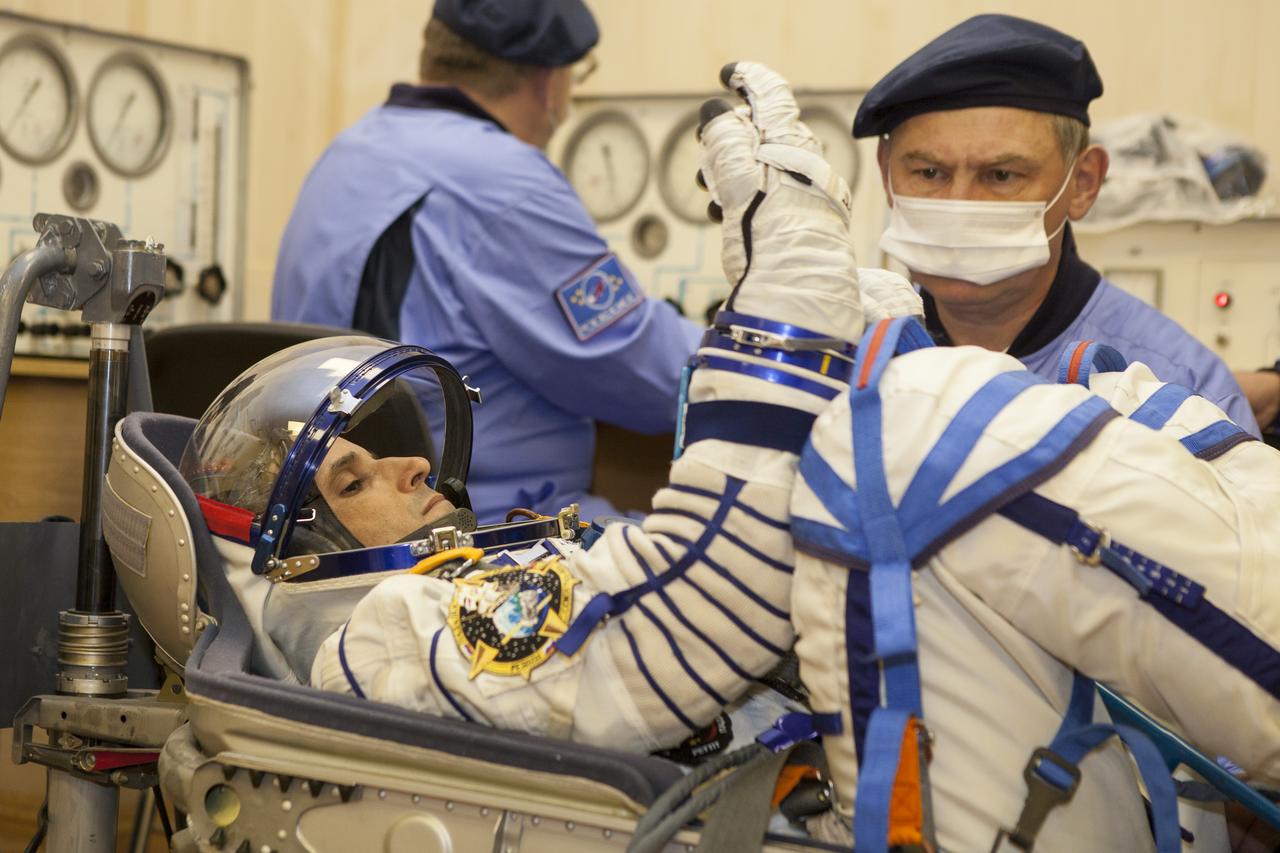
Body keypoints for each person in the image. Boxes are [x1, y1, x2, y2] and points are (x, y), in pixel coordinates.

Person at [192, 63, 1280, 852]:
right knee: (905, 425)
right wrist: (785, 303)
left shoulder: (483, 577)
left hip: (892, 762)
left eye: (393, 456)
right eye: (354, 480)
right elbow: (698, 608)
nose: (412, 470)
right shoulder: (387, 633)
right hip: (809, 801)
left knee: (1082, 393)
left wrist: (835, 317)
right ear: (299, 547)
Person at [270, 0, 702, 525]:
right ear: (549, 83)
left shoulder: (346, 152)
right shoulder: (506, 181)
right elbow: (644, 371)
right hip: (484, 526)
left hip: (337, 524)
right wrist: (765, 348)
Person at [853, 14, 1261, 438]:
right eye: (929, 173)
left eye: (1001, 176)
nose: (959, 205)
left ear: (1083, 183)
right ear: (886, 173)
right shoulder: (845, 358)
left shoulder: (1185, 397)